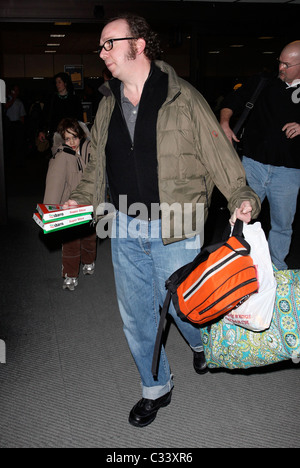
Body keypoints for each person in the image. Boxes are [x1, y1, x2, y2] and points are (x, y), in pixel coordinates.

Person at [63, 14, 261, 427]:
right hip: (122, 223)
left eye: (108, 43)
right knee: (136, 314)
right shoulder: (106, 103)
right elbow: (96, 163)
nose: (101, 53)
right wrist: (80, 201)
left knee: (184, 308)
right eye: (100, 46)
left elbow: (217, 154)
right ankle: (155, 387)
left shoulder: (183, 97)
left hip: (176, 222)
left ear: (137, 44)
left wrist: (242, 196)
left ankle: (202, 342)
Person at [220, 41, 300, 270]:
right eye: (280, 62)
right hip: (253, 165)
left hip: (289, 172)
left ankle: (275, 270)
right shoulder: (263, 82)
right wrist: (225, 122)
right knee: (240, 217)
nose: (281, 68)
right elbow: (230, 102)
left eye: (287, 64)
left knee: (282, 226)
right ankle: (233, 266)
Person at [43, 118, 97, 291]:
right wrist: (49, 212)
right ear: (63, 140)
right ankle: (70, 274)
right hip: (69, 208)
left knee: (90, 238)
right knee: (71, 243)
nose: (72, 142)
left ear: (81, 136)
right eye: (68, 138)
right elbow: (54, 184)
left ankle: (89, 262)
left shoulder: (89, 150)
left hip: (89, 204)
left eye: (75, 137)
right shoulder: (62, 156)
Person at [38, 72, 83, 147]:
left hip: (71, 134)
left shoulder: (74, 99)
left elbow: (79, 117)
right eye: (56, 82)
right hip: (56, 134)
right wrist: (41, 131)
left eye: (59, 82)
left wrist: (80, 132)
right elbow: (44, 116)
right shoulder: (51, 99)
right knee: (57, 156)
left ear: (65, 83)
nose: (57, 85)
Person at [4, 84, 26, 165]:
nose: (16, 92)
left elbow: (22, 116)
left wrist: (22, 127)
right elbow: (6, 106)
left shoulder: (19, 102)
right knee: (8, 143)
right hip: (9, 124)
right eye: (15, 90)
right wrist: (13, 98)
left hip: (17, 124)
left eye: (17, 91)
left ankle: (18, 161)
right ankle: (8, 160)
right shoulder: (7, 99)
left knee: (18, 143)